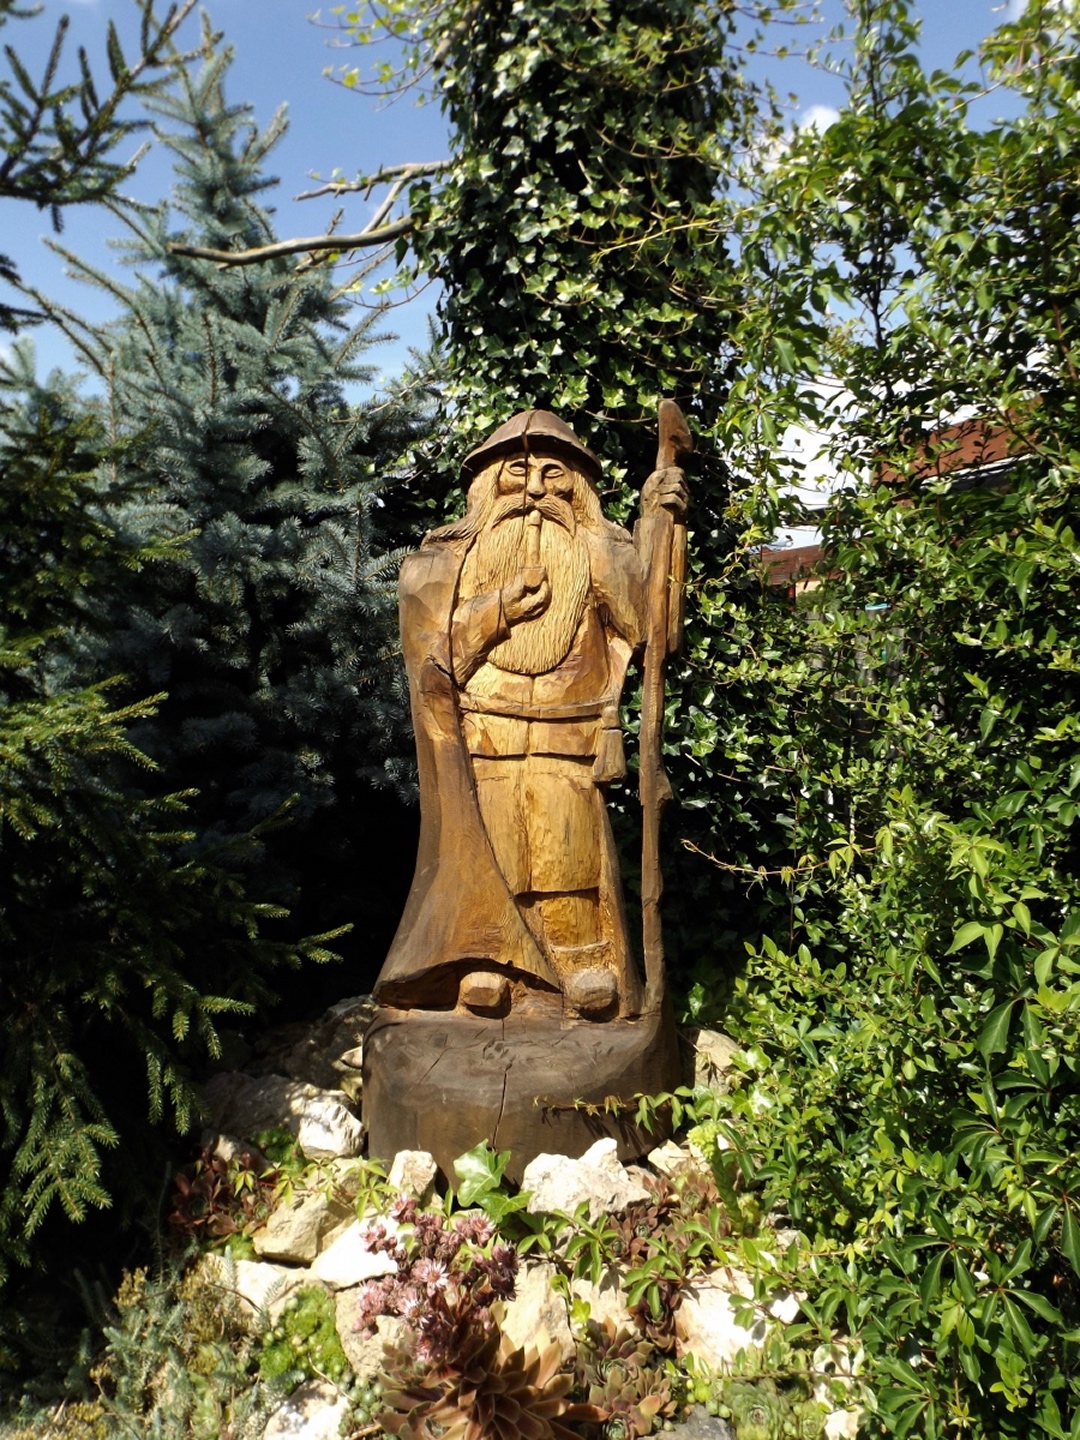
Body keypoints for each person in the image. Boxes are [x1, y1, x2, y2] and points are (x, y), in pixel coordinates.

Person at [373, 409, 687, 1021]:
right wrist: (498, 609)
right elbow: (430, 656)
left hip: (571, 733)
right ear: (488, 482)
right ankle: (491, 959)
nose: (536, 489)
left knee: (566, 846)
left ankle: (580, 958)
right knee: (493, 847)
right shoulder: (442, 563)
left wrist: (657, 523)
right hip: (483, 734)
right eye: (518, 472)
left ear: (578, 485)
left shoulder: (599, 551)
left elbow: (649, 631)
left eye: (554, 473)